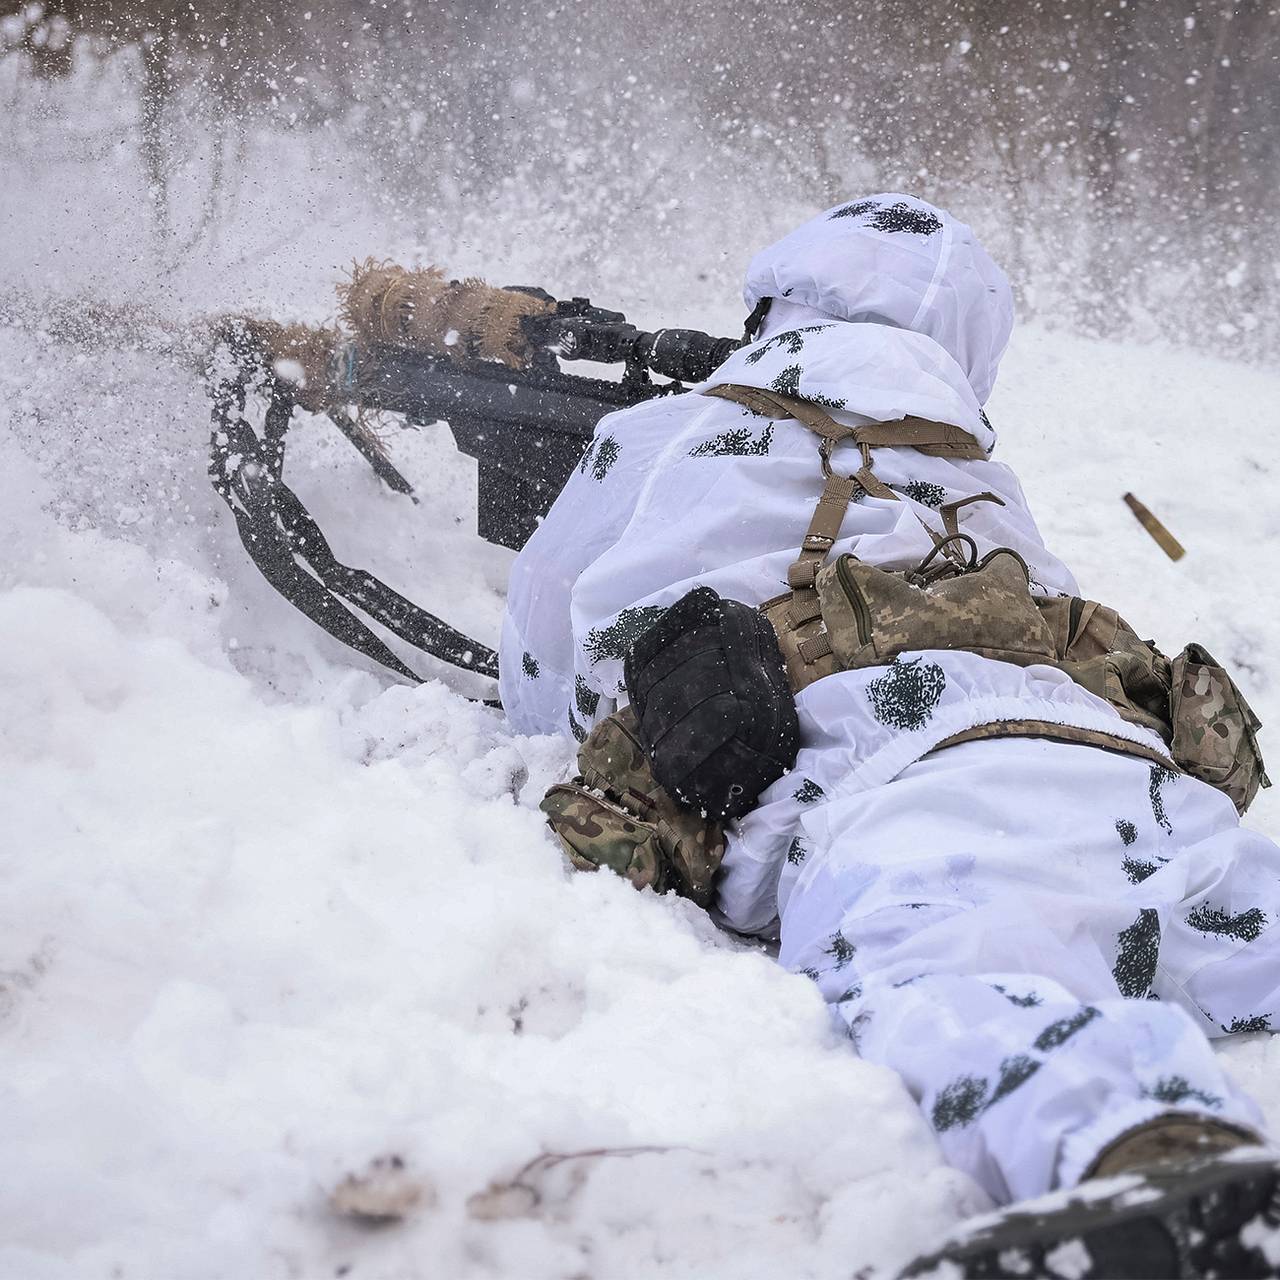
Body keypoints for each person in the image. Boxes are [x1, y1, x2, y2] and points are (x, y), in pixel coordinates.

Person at [499, 194, 1279, 1277]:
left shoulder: (671, 430)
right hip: (1118, 768)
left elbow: (540, 661)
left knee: (956, 976)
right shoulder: (967, 463)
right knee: (1239, 907)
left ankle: (1157, 1162)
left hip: (901, 790)